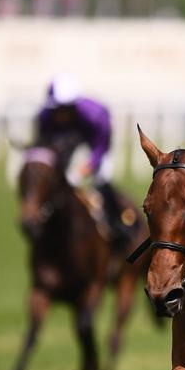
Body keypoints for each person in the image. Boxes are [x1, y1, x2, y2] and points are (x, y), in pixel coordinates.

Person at [35, 73, 129, 248]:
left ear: (71, 106)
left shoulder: (97, 116)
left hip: (95, 149)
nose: (56, 114)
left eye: (61, 109)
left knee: (100, 181)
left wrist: (88, 167)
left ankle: (117, 226)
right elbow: (44, 147)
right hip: (67, 150)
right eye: (54, 109)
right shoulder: (45, 116)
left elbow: (100, 149)